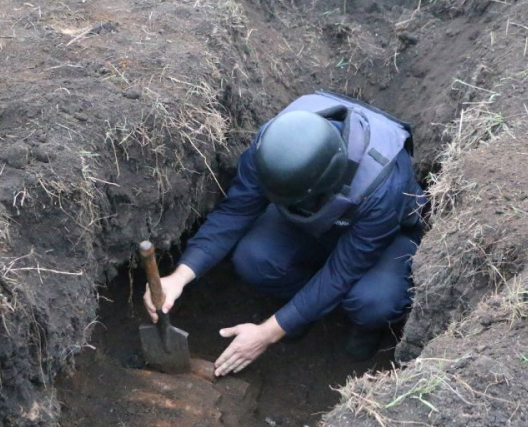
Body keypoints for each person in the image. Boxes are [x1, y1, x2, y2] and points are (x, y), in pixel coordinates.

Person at [144, 90, 425, 376]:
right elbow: (235, 212)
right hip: (311, 220)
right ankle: (299, 311)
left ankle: (363, 327)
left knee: (374, 301)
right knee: (255, 258)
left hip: (379, 240)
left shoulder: (383, 186)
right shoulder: (273, 146)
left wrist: (267, 333)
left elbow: (342, 272)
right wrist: (179, 277)